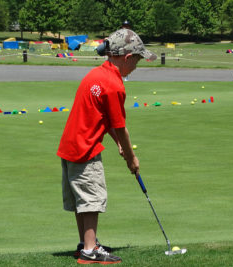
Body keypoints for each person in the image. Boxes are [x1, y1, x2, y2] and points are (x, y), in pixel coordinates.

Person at [57, 29, 156, 265]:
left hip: (71, 145)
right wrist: (131, 158)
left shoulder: (96, 74)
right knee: (92, 199)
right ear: (126, 56)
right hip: (86, 147)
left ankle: (85, 244)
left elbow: (107, 119)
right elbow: (120, 127)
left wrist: (119, 145)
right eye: (138, 59)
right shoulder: (114, 85)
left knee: (83, 200)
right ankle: (91, 250)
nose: (137, 65)